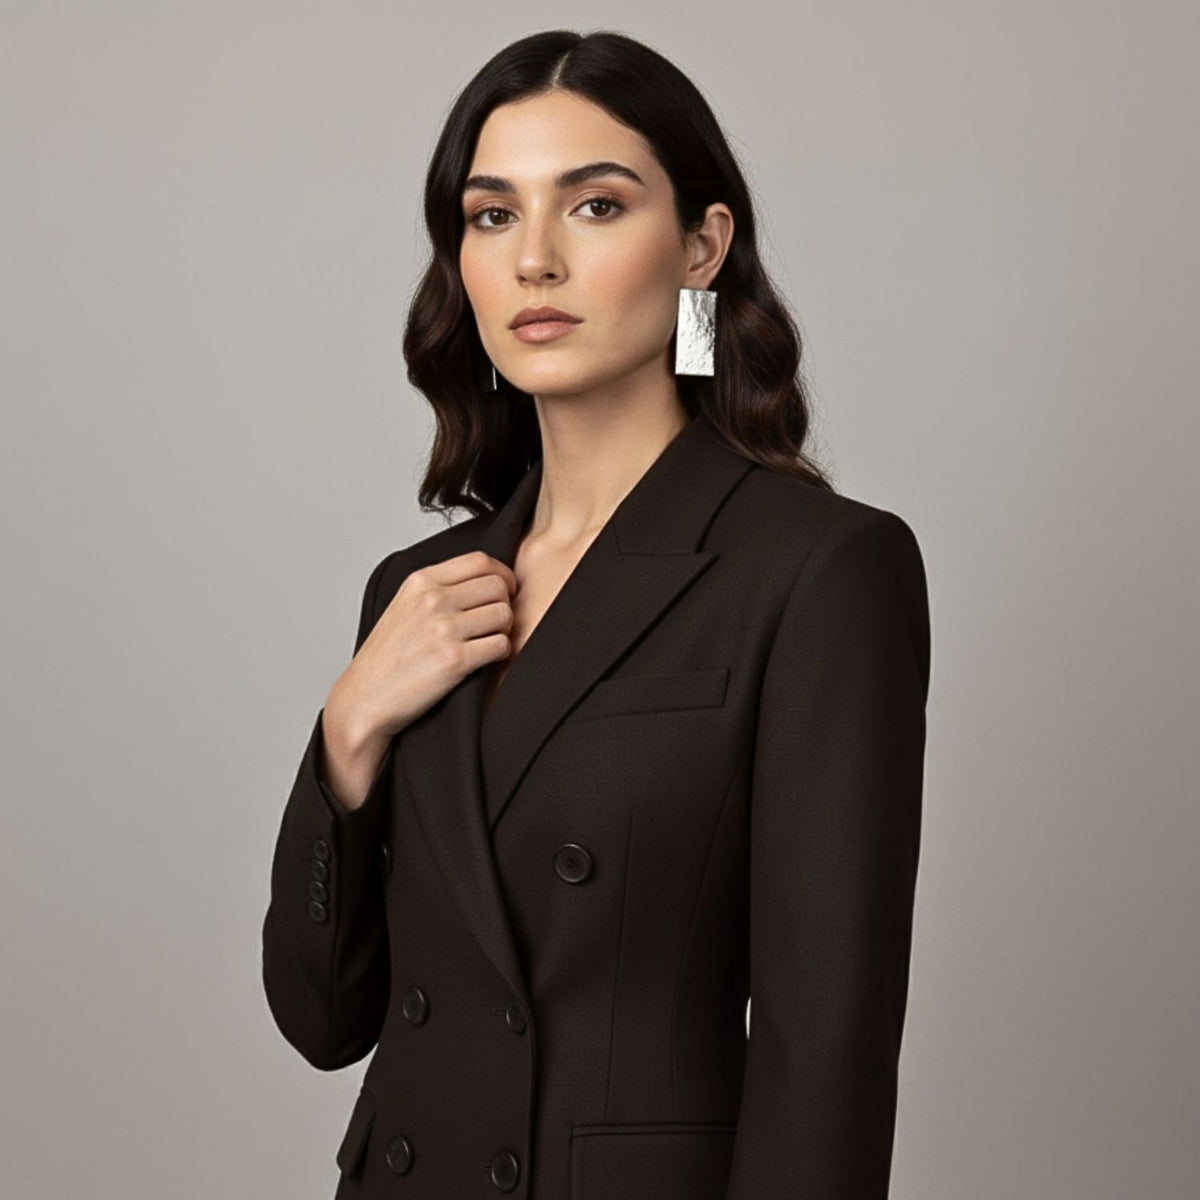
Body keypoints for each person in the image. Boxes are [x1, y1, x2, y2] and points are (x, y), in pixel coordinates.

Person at [261, 28, 931, 1200]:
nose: (535, 260)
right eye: (492, 216)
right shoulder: (420, 589)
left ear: (702, 246)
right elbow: (324, 1020)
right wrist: (345, 742)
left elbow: (826, 1052)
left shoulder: (818, 571)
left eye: (596, 206)